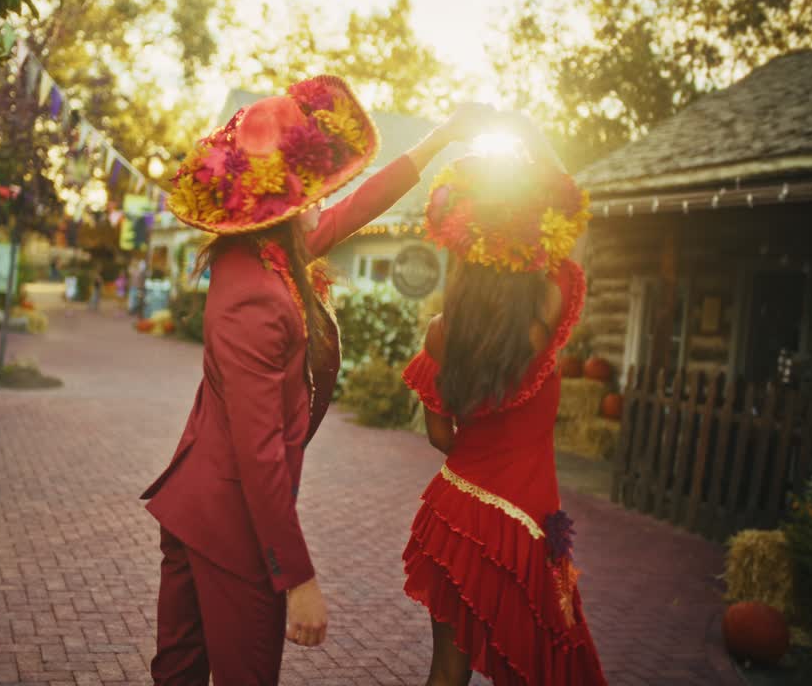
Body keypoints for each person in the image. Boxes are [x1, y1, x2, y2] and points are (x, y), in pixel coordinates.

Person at [141, 74, 495, 685]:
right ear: (282, 203)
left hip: (195, 507)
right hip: (230, 526)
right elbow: (259, 454)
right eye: (309, 190)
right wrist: (297, 579)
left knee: (178, 675)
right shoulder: (256, 296)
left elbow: (359, 207)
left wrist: (438, 139)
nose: (320, 200)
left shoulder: (265, 253)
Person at [400, 116, 608, 686]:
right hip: (523, 523)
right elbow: (574, 215)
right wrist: (529, 133)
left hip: (455, 513)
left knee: (447, 670)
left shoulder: (443, 332)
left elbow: (441, 438)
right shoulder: (550, 311)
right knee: (532, 668)